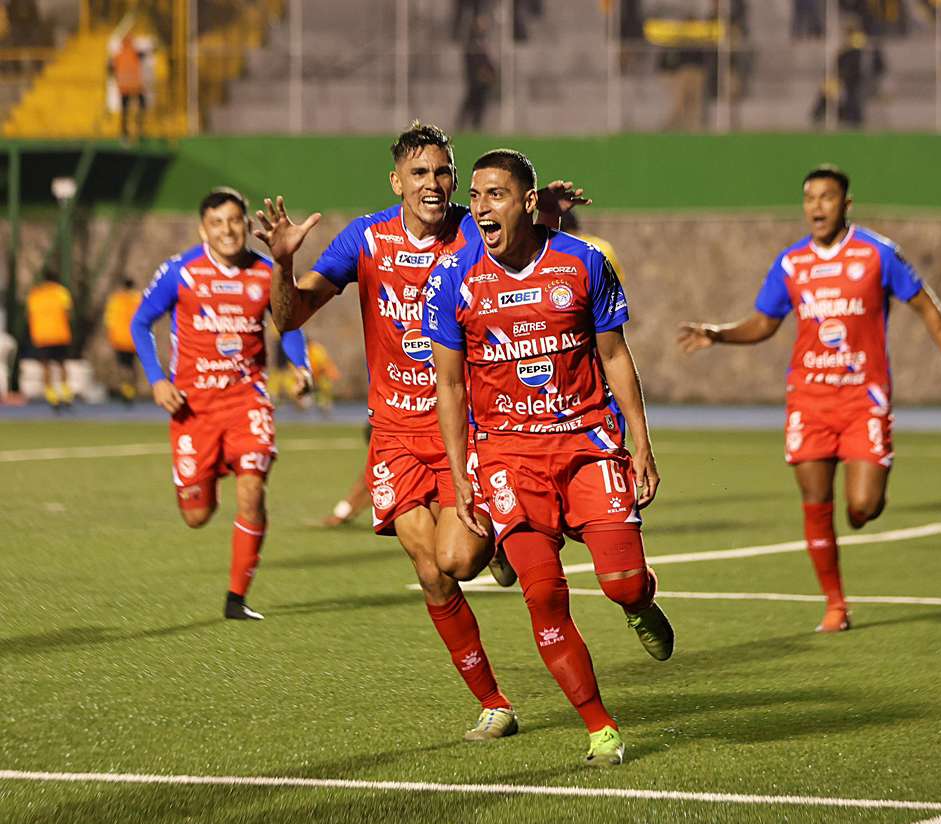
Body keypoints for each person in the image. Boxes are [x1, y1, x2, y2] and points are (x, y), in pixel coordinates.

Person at [255, 122, 586, 742]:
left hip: (474, 427)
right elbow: (289, 315)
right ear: (396, 181)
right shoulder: (365, 239)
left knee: (458, 559)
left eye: (442, 173)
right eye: (420, 174)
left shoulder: (476, 226)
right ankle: (494, 703)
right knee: (432, 572)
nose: (433, 185)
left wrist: (549, 216)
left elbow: (536, 274)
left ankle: (508, 540)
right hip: (398, 435)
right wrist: (281, 262)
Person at [425, 149, 674, 768]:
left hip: (588, 444)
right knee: (544, 596)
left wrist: (641, 442)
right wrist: (461, 475)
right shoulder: (456, 278)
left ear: (528, 203)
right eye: (476, 195)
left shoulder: (585, 263)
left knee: (622, 582)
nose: (481, 206)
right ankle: (601, 728)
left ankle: (640, 602)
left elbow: (615, 356)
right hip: (509, 458)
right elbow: (450, 386)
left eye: (496, 194)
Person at [678, 165, 941, 633]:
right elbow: (764, 322)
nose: (817, 206)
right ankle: (835, 605)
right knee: (816, 501)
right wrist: (719, 335)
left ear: (846, 204)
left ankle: (863, 507)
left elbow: (926, 306)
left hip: (864, 400)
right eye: (810, 198)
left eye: (827, 197)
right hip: (809, 400)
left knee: (862, 506)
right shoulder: (791, 263)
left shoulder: (878, 254)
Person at [130, 187, 312, 621]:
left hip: (247, 400)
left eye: (234, 221)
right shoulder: (181, 272)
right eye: (217, 223)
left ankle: (236, 598)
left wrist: (300, 367)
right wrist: (157, 380)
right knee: (197, 514)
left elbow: (288, 322)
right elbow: (140, 322)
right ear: (203, 229)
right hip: (192, 408)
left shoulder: (266, 272)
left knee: (252, 488)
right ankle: (208, 476)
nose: (227, 230)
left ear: (246, 224)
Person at [26, 272, 74, 409]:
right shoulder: (61, 292)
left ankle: (52, 396)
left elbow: (30, 315)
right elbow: (68, 312)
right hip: (60, 334)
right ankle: (66, 393)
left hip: (42, 335)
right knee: (62, 364)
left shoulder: (35, 294)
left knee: (45, 366)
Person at [104, 277, 142, 402]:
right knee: (133, 365)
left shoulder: (115, 300)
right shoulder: (138, 299)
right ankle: (132, 390)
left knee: (123, 366)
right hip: (135, 338)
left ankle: (126, 389)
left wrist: (110, 336)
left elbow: (109, 320)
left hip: (120, 338)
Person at [109, 29, 146, 137]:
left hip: (123, 86)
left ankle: (124, 132)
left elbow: (110, 67)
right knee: (141, 105)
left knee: (125, 110)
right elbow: (145, 54)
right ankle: (139, 128)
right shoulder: (134, 53)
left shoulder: (119, 55)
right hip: (135, 86)